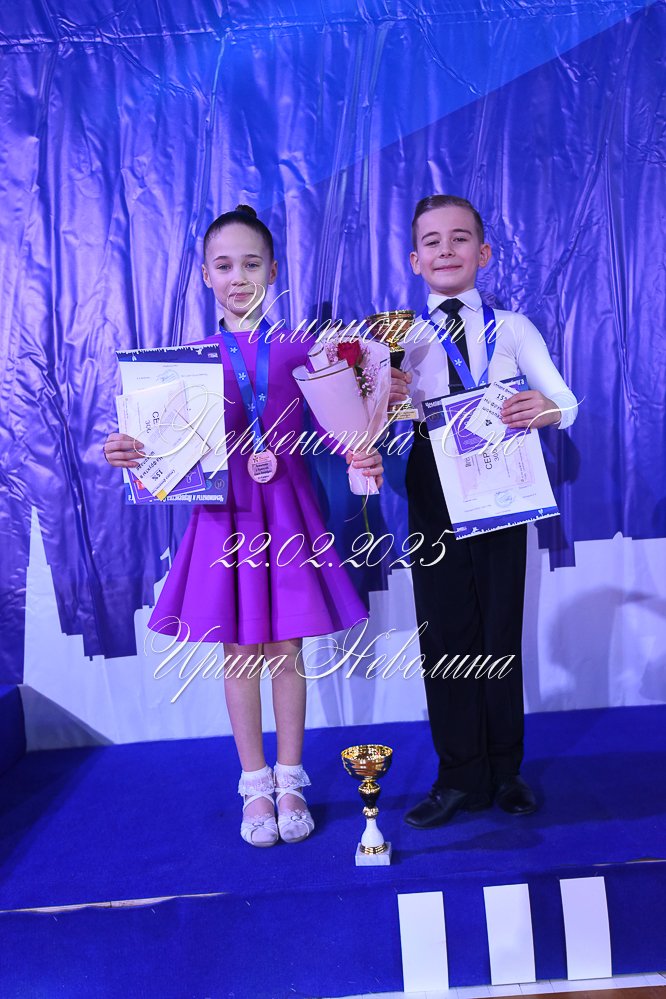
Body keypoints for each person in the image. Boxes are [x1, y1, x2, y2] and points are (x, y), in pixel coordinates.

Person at [104, 206, 383, 847]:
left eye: (251, 264)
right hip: (223, 516)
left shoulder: (301, 348)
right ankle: (254, 784)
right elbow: (161, 445)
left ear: (274, 271)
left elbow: (333, 427)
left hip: (286, 511)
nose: (238, 277)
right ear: (206, 275)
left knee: (286, 648)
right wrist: (129, 449)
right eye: (225, 265)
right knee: (238, 650)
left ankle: (291, 779)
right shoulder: (187, 363)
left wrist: (358, 447)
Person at [390, 194, 577, 828]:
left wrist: (545, 409)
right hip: (432, 485)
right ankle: (457, 776)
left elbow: (566, 402)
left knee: (499, 629)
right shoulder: (397, 337)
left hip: (501, 482)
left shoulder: (514, 327)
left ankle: (506, 771)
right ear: (415, 260)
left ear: (484, 252)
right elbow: (372, 427)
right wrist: (381, 400)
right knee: (444, 636)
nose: (446, 250)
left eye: (460, 238)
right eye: (432, 242)